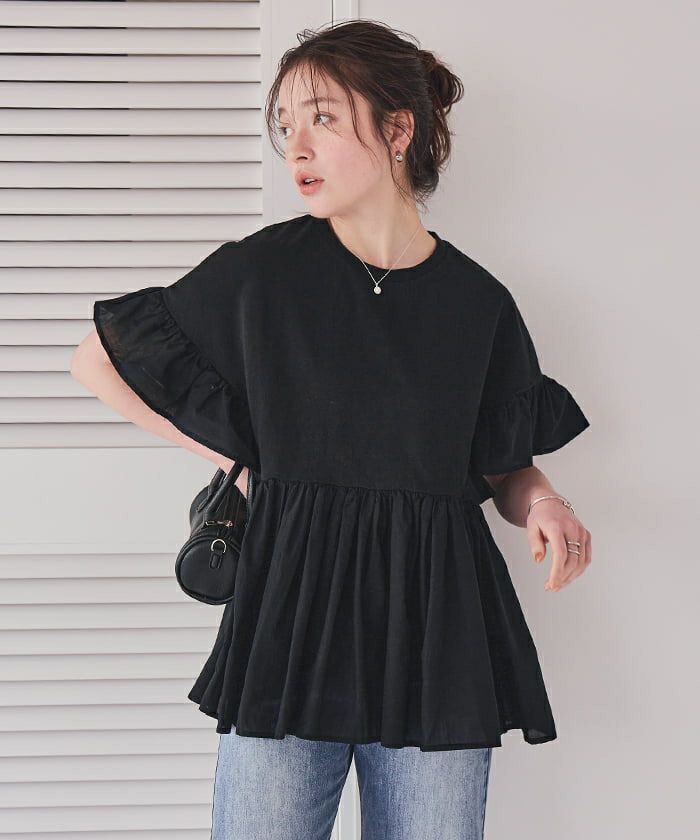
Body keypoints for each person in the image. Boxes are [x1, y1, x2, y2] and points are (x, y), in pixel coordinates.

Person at [70, 19, 592, 840]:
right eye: (285, 124)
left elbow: (504, 466)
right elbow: (97, 360)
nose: (297, 147)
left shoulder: (478, 302)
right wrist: (242, 460)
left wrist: (546, 503)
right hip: (291, 617)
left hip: (435, 631)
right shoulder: (264, 271)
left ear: (397, 129)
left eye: (321, 118)